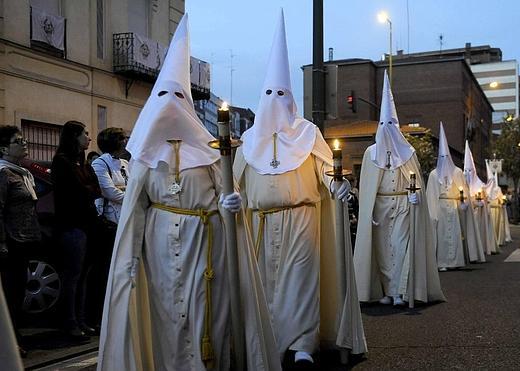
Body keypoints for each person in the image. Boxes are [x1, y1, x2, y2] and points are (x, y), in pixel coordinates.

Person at [97, 15, 280, 370]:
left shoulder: (211, 155)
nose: (169, 103)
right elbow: (135, 213)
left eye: (177, 95)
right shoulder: (145, 160)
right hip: (160, 254)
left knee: (204, 315)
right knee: (168, 321)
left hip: (206, 248)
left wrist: (234, 205)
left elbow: (230, 196)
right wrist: (130, 262)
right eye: (162, 94)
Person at [232, 11, 365, 365]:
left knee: (301, 284)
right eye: (269, 93)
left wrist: (339, 187)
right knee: (264, 287)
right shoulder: (248, 139)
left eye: (282, 93)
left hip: (301, 220)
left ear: (290, 98)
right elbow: (235, 183)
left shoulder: (308, 135)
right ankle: (266, 341)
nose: (275, 100)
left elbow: (327, 170)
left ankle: (303, 345)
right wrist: (231, 200)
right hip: (260, 224)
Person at [354, 70, 446, 308]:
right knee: (383, 250)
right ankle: (386, 289)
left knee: (400, 245)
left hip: (403, 206)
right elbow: (366, 187)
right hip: (381, 207)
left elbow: (416, 185)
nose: (386, 128)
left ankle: (399, 291)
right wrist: (369, 210)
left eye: (390, 123)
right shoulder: (370, 154)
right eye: (382, 123)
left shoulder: (408, 154)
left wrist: (415, 197)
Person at [51, 120, 99, 340]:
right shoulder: (63, 162)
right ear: (74, 137)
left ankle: (81, 319)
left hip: (86, 224)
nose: (89, 137)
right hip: (71, 225)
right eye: (85, 133)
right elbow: (79, 191)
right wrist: (88, 189)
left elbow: (95, 189)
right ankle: (69, 322)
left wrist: (88, 189)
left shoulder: (82, 162)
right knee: (72, 276)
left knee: (84, 276)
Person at [0, 125, 41, 357]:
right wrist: (2, 242)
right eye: (18, 141)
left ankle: (16, 337)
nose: (24, 143)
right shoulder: (3, 173)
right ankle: (10, 342)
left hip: (24, 241)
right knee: (10, 295)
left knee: (17, 294)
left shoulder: (23, 173)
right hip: (11, 242)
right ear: (4, 148)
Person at [88, 127, 129, 328]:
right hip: (110, 221)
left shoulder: (125, 163)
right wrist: (131, 197)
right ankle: (97, 315)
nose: (126, 142)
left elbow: (133, 185)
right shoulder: (99, 163)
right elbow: (108, 190)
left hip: (125, 218)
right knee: (104, 270)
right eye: (122, 139)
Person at [427, 123, 482, 270]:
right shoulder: (433, 175)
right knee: (442, 236)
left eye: (447, 157)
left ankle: (456, 261)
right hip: (440, 210)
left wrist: (463, 204)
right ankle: (443, 263)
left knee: (455, 235)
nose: (444, 160)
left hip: (453, 207)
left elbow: (463, 192)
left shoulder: (457, 172)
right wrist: (432, 215)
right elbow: (430, 196)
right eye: (442, 157)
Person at [464, 141, 497, 257]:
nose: (468, 173)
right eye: (466, 171)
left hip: (477, 215)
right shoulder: (461, 183)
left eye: (470, 171)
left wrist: (481, 202)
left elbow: (485, 200)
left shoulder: (479, 185)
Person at [485, 160, 511, 248]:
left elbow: (501, 198)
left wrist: (503, 201)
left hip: (497, 210)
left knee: (496, 226)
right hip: (489, 210)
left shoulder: (498, 189)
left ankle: (497, 240)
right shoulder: (485, 189)